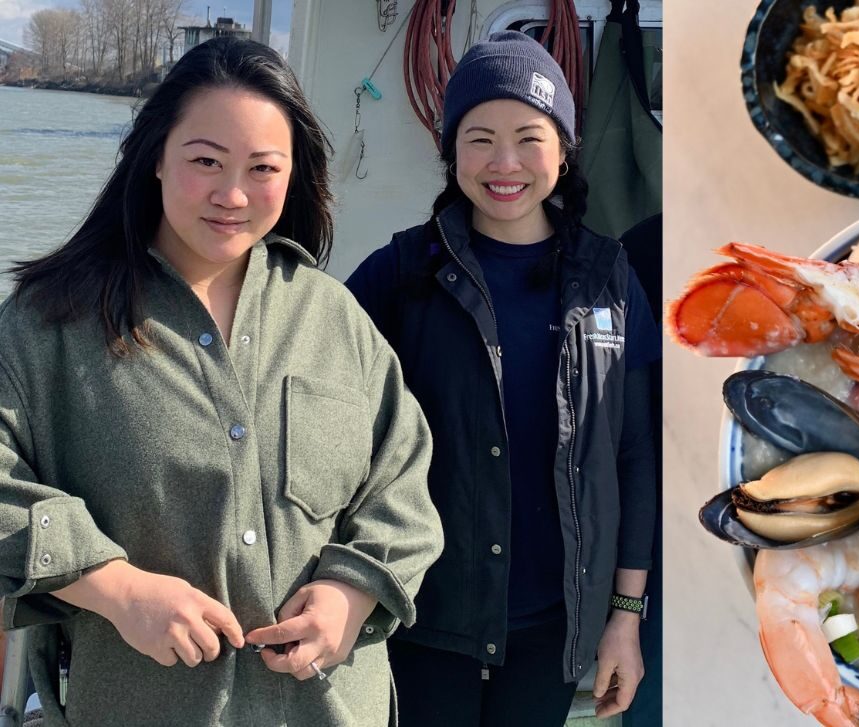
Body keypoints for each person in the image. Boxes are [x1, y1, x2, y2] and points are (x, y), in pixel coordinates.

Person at [0, 37, 442, 726]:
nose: (232, 194)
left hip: (327, 708)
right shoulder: (48, 321)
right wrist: (115, 588)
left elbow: (402, 481)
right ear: (154, 158)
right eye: (205, 161)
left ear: (293, 176)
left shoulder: (335, 319)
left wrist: (350, 595)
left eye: (262, 168)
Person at [346, 30, 660, 726]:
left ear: (564, 148)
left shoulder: (608, 277)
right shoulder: (400, 275)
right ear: (451, 151)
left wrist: (625, 618)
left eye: (529, 136)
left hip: (555, 629)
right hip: (426, 620)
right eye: (480, 138)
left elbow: (634, 456)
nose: (505, 162)